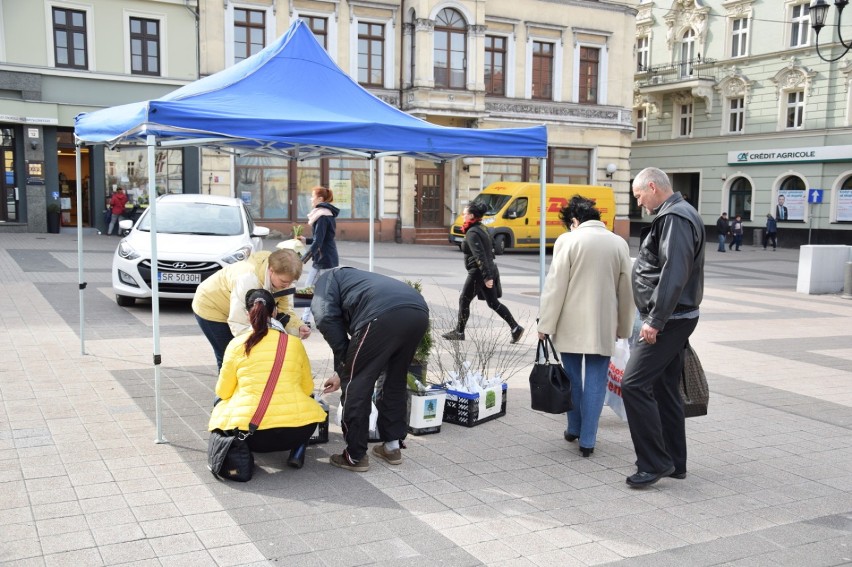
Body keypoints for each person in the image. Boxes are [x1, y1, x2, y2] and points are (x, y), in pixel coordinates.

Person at [621, 167, 705, 488]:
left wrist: (655, 320)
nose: (640, 203)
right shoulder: (678, 214)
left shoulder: (675, 218)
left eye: (639, 195)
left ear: (652, 187)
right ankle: (675, 462)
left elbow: (674, 271)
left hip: (669, 319)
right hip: (675, 316)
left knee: (633, 384)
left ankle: (654, 462)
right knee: (664, 388)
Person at [537, 196, 634, 458]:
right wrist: (624, 327)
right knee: (595, 382)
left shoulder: (568, 241)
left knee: (571, 379)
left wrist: (545, 323)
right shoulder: (618, 243)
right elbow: (627, 291)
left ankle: (573, 427)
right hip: (603, 324)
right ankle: (588, 440)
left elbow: (555, 286)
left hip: (569, 324)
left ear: (575, 221)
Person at [313, 267, 429, 472]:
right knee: (394, 379)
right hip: (418, 311)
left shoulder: (325, 281)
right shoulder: (356, 279)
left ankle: (355, 456)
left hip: (380, 316)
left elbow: (325, 317)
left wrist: (345, 366)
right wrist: (342, 368)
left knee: (358, 384)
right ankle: (392, 447)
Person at [208, 289, 327, 471]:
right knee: (309, 402)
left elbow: (223, 392)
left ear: (248, 315)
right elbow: (307, 388)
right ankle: (297, 451)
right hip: (296, 431)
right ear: (274, 312)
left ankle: (243, 452)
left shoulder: (237, 345)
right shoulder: (293, 343)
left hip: (252, 436)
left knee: (219, 402)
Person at [192, 249, 311, 370]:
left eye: (292, 282)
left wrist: (298, 326)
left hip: (236, 307)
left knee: (248, 357)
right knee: (229, 357)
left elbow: (285, 312)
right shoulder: (247, 279)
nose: (287, 285)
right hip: (211, 305)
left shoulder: (285, 281)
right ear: (271, 271)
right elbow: (239, 322)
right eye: (284, 281)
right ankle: (226, 388)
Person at [441, 201, 524, 344]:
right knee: (492, 302)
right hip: (488, 270)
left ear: (472, 215)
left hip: (478, 272)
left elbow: (480, 255)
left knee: (464, 299)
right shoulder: (482, 228)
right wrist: (490, 273)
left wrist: (487, 276)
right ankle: (515, 328)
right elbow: (491, 250)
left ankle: (459, 332)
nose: (463, 215)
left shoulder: (473, 233)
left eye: (465, 213)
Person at [300, 186, 340, 325]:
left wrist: (303, 259)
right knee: (317, 290)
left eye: (313, 196)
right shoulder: (324, 214)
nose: (311, 199)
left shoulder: (322, 216)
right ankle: (307, 319)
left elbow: (319, 241)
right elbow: (321, 239)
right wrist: (305, 240)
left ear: (320, 199)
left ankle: (308, 320)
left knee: (312, 289)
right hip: (325, 257)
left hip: (324, 259)